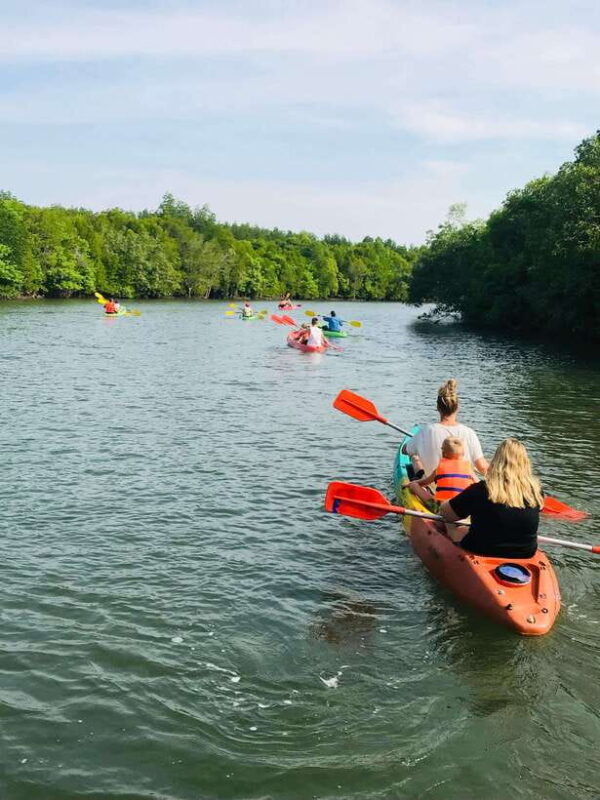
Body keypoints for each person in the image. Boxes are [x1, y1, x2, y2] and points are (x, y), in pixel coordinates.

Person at [439, 438, 543, 559]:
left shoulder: (481, 489)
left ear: (496, 461)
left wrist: (445, 502)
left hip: (482, 548)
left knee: (450, 525)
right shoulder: (536, 491)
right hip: (526, 552)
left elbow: (447, 514)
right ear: (525, 463)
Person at [404, 379, 488, 479]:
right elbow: (483, 467)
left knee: (414, 457)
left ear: (438, 408)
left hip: (432, 486)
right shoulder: (469, 433)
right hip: (464, 487)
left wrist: (413, 448)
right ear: (457, 408)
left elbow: (405, 450)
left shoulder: (425, 431)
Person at [408, 436, 475, 506]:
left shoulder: (440, 468)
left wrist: (411, 483)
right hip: (463, 508)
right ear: (463, 453)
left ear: (443, 453)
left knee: (414, 485)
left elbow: (424, 482)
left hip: (441, 507)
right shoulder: (469, 469)